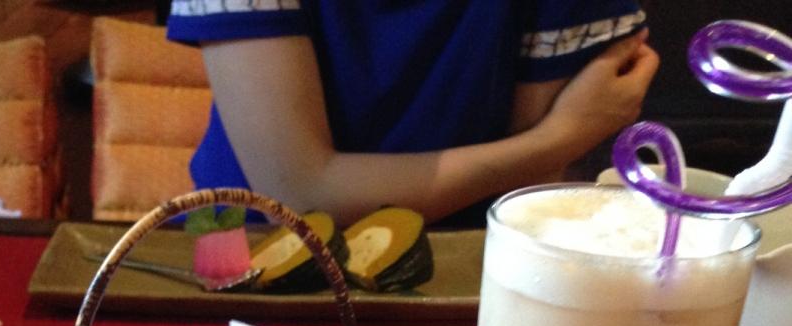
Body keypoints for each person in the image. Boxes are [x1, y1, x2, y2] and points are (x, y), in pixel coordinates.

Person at [166, 2, 659, 227]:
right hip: (251, 261)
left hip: (463, 270)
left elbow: (517, 202)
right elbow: (298, 194)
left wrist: (546, 148)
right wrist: (561, 138)